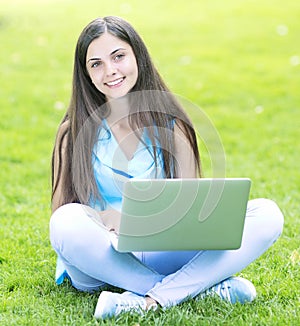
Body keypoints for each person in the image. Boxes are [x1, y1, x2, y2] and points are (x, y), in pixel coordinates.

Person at [49, 16, 284, 319]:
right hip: (101, 256)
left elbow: (191, 213)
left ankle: (147, 299)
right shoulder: (73, 131)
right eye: (96, 64)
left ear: (137, 56)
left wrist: (152, 221)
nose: (110, 71)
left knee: (268, 214)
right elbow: (61, 214)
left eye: (118, 56)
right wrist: (102, 216)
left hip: (162, 249)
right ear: (86, 74)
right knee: (65, 221)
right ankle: (193, 289)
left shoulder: (172, 126)